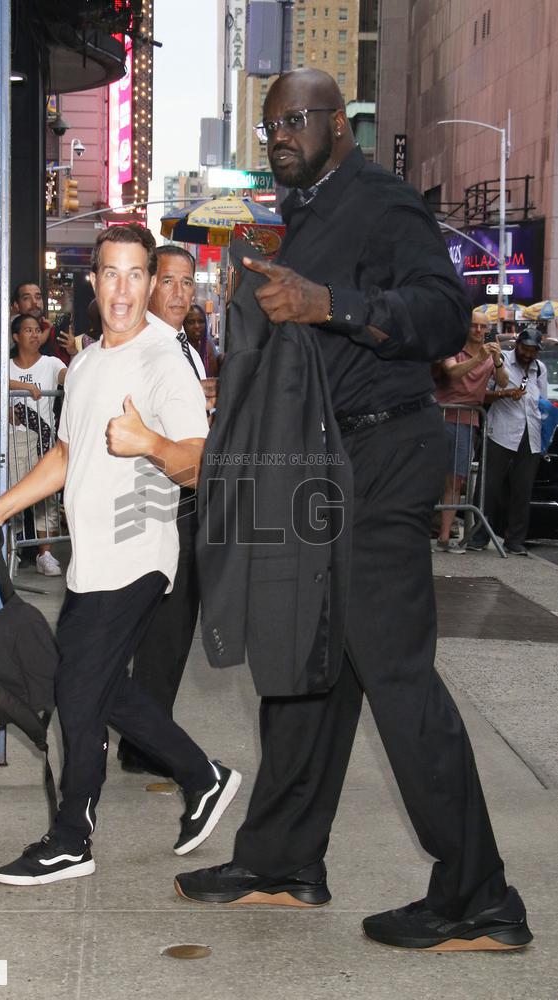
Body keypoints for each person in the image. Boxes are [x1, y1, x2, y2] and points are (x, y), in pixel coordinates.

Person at [174, 68, 533, 953]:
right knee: (305, 658)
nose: (280, 136)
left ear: (340, 123)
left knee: (395, 673)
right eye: (270, 125)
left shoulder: (379, 200)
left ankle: (479, 898)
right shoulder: (300, 215)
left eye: (295, 119)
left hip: (381, 458)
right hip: (319, 466)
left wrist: (327, 303)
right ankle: (281, 863)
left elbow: (442, 314)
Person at [0, 224, 240, 884]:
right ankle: (203, 776)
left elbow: (200, 463)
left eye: (135, 274)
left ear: (149, 283)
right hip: (91, 558)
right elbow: (66, 454)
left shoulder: (162, 360)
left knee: (77, 689)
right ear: (94, 282)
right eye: (110, 274)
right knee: (99, 684)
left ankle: (71, 837)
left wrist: (150, 444)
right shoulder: (86, 363)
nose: (122, 289)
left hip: (137, 550)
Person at [117, 247, 216, 775]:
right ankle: (144, 742)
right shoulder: (144, 341)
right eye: (170, 281)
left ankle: (145, 740)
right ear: (151, 284)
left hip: (188, 491)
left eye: (188, 282)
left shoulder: (185, 347)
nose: (180, 293)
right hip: (157, 494)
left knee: (174, 627)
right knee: (162, 625)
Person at [467, 325, 548, 555]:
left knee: (522, 489)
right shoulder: (499, 360)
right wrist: (504, 394)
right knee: (489, 486)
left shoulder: (540, 369)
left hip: (531, 434)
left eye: (533, 351)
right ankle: (479, 535)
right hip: (501, 431)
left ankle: (515, 540)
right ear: (517, 345)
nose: (528, 355)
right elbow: (482, 394)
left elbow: (541, 401)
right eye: (525, 349)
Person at [434, 311, 508, 552]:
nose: (478, 330)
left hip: (468, 420)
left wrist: (497, 360)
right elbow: (452, 372)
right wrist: (479, 359)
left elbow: (503, 381)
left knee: (456, 481)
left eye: (482, 327)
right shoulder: (453, 347)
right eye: (474, 325)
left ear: (488, 330)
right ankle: (421, 531)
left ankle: (445, 536)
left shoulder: (490, 354)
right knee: (429, 477)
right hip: (440, 418)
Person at [9, 313, 67, 575]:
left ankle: (46, 555)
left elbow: (69, 377)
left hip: (43, 441)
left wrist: (75, 356)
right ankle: (11, 550)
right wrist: (18, 386)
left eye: (37, 330)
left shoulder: (51, 363)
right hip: (15, 441)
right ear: (16, 336)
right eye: (28, 330)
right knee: (14, 494)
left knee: (46, 496)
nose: (34, 335)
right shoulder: (6, 366)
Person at [10, 282, 73, 365]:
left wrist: (73, 352)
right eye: (26, 298)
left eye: (38, 297)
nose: (34, 302)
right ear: (16, 305)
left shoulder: (54, 331)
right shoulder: (7, 331)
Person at [184, 303, 219, 378]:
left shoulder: (208, 347)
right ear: (184, 325)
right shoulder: (179, 349)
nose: (197, 326)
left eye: (201, 321)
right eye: (191, 322)